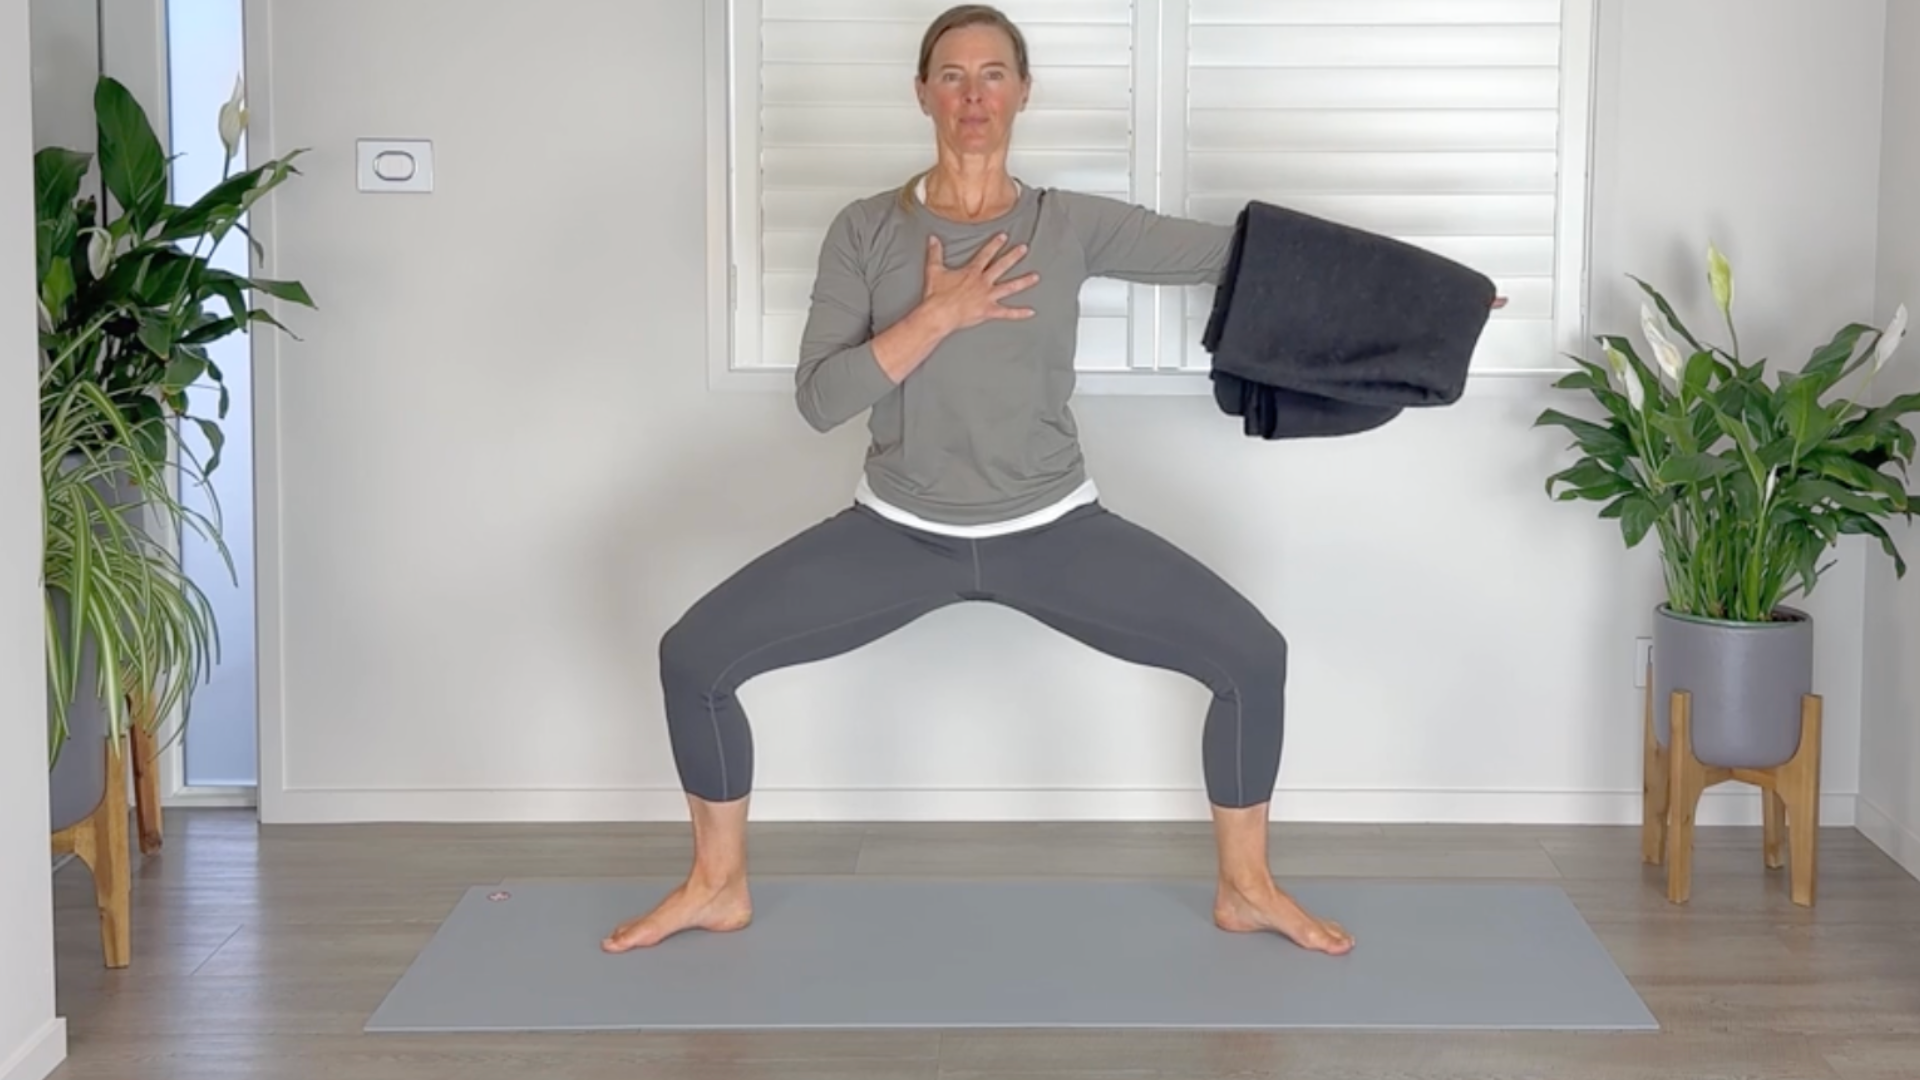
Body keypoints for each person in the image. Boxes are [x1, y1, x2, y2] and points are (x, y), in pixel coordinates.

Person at [603, 2, 1498, 959]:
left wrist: (1438, 300)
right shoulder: (866, 230)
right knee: (694, 657)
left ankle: (1246, 889)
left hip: (1054, 532)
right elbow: (821, 399)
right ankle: (717, 884)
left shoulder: (1064, 224)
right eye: (952, 74)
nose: (973, 94)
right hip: (896, 533)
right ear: (922, 94)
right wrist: (941, 314)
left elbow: (1236, 254)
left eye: (993, 74)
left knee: (1251, 658)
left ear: (1023, 92)